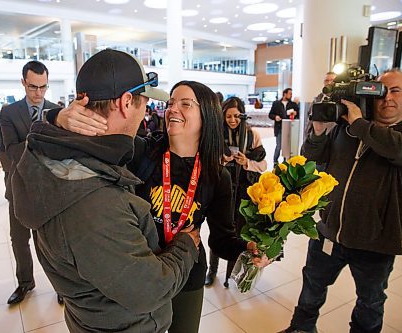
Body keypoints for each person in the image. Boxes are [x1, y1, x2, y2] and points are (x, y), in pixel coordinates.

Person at [51, 81, 272, 333]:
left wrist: (248, 249)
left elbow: (221, 239)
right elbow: (94, 138)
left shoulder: (217, 176)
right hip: (141, 269)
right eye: (171, 103)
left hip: (187, 271)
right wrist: (58, 117)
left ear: (207, 116)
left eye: (185, 104)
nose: (172, 109)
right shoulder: (142, 151)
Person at [11, 49, 200, 332]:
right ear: (126, 102)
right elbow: (149, 289)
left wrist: (53, 119)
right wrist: (186, 246)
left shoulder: (44, 158)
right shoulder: (96, 204)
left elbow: (34, 140)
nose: (147, 111)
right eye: (144, 102)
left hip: (88, 318)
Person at [280, 68, 402, 333]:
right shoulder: (348, 128)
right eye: (381, 92)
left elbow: (395, 148)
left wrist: (360, 124)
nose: (387, 98)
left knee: (370, 302)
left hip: (376, 243)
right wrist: (318, 132)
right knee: (312, 287)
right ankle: (301, 328)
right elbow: (313, 159)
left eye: (395, 91)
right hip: (329, 231)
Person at [0, 60, 61, 305]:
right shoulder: (9, 112)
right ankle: (25, 283)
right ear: (23, 82)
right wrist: (42, 143)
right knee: (19, 238)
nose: (38, 93)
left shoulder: (56, 111)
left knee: (51, 242)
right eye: (33, 87)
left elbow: (61, 151)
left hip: (48, 189)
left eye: (43, 87)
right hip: (19, 187)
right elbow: (12, 150)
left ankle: (61, 285)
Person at [205, 96, 268, 287]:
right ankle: (212, 270)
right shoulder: (216, 134)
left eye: (236, 116)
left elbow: (263, 166)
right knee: (219, 230)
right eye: (228, 116)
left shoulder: (252, 135)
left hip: (244, 191)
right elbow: (207, 162)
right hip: (221, 189)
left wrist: (246, 162)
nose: (232, 120)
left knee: (238, 232)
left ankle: (230, 274)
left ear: (243, 115)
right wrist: (222, 161)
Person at [268, 88, 300, 165]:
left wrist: (295, 113)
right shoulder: (276, 103)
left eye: (291, 94)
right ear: (285, 94)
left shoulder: (293, 104)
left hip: (290, 128)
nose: (291, 95)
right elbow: (270, 115)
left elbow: (298, 115)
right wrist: (275, 117)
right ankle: (275, 160)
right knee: (279, 145)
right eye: (290, 94)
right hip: (279, 128)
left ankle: (285, 160)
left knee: (287, 145)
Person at [305, 71, 337, 138]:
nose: (329, 83)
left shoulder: (341, 100)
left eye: (332, 80)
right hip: (317, 138)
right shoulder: (317, 100)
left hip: (333, 138)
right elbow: (310, 120)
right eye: (326, 80)